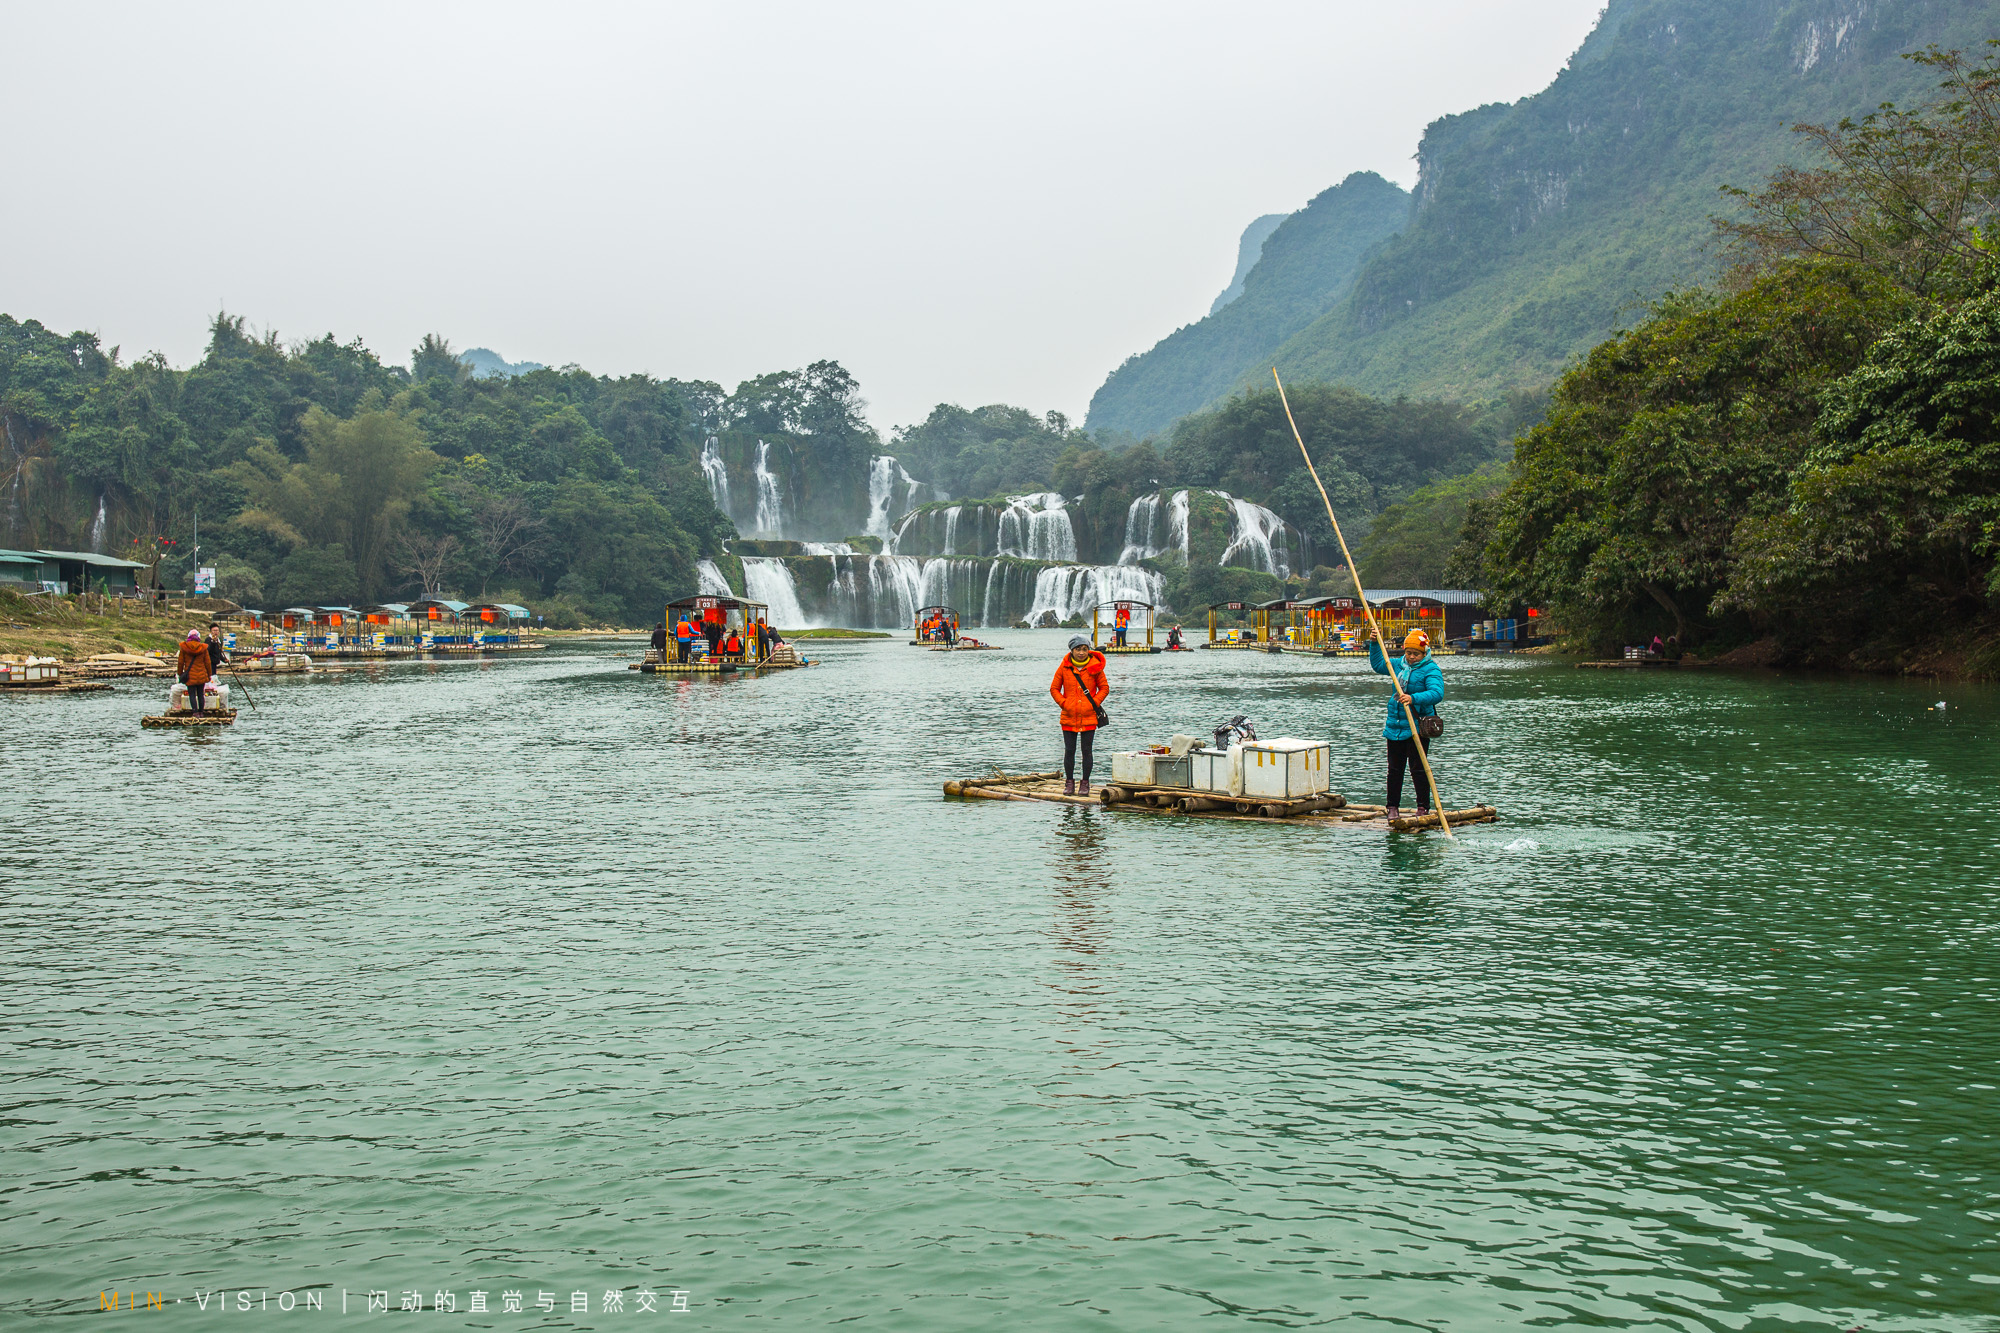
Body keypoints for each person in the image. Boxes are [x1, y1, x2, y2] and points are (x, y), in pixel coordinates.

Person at [1366, 625, 1443, 821]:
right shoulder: (1398, 665)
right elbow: (1378, 664)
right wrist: (1375, 643)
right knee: (1394, 769)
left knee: (1418, 768)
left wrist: (1413, 698)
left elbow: (1437, 693)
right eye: (1408, 652)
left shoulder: (1430, 669)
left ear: (1423, 652)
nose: (1411, 657)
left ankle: (1422, 807)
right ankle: (1392, 807)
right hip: (1395, 725)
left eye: (1415, 653)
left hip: (1417, 726)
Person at [1050, 633, 1109, 797]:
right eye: (1078, 649)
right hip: (1068, 715)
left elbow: (1104, 688)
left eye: (1084, 649)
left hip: (1089, 716)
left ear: (1089, 650)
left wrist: (1094, 703)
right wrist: (1064, 703)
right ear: (1071, 650)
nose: (1081, 652)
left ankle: (1085, 783)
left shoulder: (1095, 667)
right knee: (1069, 750)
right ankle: (1069, 783)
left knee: (1087, 751)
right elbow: (1054, 689)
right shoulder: (1064, 667)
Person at [176, 629, 213, 714]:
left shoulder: (184, 648)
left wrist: (180, 673)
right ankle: (201, 712)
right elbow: (207, 662)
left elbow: (180, 662)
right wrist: (209, 674)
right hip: (201, 674)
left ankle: (195, 712)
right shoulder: (203, 648)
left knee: (192, 694)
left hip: (190, 675)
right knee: (200, 694)